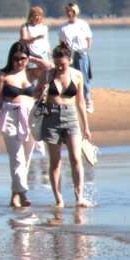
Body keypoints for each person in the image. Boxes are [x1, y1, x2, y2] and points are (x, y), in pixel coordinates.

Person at [0, 41, 38, 208]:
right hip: (10, 117)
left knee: (26, 159)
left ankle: (14, 196)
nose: (19, 62)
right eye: (16, 58)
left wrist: (32, 58)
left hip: (30, 117)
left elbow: (49, 66)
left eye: (23, 58)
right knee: (17, 157)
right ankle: (22, 195)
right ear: (11, 58)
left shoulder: (31, 74)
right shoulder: (3, 75)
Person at [41, 42, 92, 207]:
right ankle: (59, 199)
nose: (59, 67)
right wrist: (42, 89)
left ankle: (79, 197)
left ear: (69, 60)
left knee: (76, 158)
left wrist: (86, 127)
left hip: (71, 117)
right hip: (51, 117)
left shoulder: (77, 75)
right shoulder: (48, 74)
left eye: (62, 64)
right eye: (57, 64)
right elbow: (35, 94)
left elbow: (81, 102)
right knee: (55, 161)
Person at [59, 3, 94, 113]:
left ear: (75, 12)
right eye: (68, 11)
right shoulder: (63, 27)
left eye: (72, 11)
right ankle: (72, 99)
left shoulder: (83, 24)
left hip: (81, 53)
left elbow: (88, 39)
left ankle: (88, 99)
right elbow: (62, 43)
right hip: (69, 54)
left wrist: (86, 49)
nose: (70, 13)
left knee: (83, 76)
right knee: (70, 77)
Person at [20, 6, 51, 84]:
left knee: (45, 77)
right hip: (31, 55)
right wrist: (35, 38)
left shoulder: (44, 27)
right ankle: (30, 93)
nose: (37, 17)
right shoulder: (25, 26)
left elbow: (46, 42)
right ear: (31, 16)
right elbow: (24, 40)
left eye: (39, 15)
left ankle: (43, 94)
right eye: (35, 15)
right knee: (30, 78)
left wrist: (49, 54)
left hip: (43, 55)